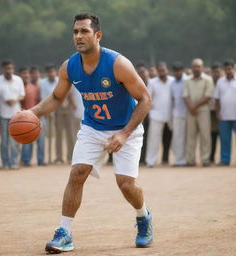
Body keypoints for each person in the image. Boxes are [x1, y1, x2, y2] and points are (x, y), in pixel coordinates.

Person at [24, 13, 153, 252]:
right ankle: (64, 232)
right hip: (93, 128)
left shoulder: (117, 64)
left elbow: (145, 99)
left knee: (125, 185)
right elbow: (55, 98)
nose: (79, 36)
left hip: (126, 129)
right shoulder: (70, 66)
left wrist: (124, 134)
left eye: (84, 31)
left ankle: (143, 217)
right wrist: (31, 113)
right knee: (77, 173)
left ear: (98, 35)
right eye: (75, 32)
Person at [0, 60, 25, 169]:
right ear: (3, 69)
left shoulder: (18, 80)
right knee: (4, 141)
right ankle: (5, 162)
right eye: (7, 68)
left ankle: (14, 162)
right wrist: (5, 100)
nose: (9, 71)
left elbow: (22, 95)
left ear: (13, 69)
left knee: (15, 140)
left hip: (15, 115)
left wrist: (15, 100)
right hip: (2, 114)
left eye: (11, 68)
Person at [183, 58, 214, 167]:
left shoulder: (208, 79)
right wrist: (191, 107)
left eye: (198, 66)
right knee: (190, 136)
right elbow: (185, 95)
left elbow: (208, 96)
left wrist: (194, 106)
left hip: (203, 111)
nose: (196, 68)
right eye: (194, 66)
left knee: (205, 136)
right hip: (190, 111)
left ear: (202, 67)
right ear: (192, 68)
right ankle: (190, 160)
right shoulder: (187, 80)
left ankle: (205, 159)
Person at [145, 62, 174, 167]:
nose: (162, 72)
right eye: (160, 70)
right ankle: (151, 161)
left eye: (164, 70)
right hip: (156, 115)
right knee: (153, 140)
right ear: (157, 71)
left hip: (171, 115)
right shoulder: (152, 82)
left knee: (171, 139)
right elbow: (148, 99)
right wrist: (149, 113)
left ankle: (171, 160)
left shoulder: (172, 81)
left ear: (167, 70)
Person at [20, 67, 45, 166]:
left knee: (41, 140)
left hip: (38, 116)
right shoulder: (19, 87)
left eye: (27, 73)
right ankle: (26, 160)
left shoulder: (35, 88)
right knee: (27, 140)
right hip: (25, 118)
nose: (25, 75)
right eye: (23, 73)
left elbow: (40, 102)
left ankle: (41, 160)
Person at [214, 59, 236, 166]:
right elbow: (217, 99)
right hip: (224, 116)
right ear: (224, 70)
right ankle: (225, 160)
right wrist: (218, 112)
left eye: (230, 69)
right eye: (226, 69)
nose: (229, 71)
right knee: (225, 139)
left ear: (234, 68)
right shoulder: (220, 81)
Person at [171, 61, 188, 166]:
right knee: (178, 138)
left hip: (188, 113)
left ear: (182, 71)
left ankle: (189, 159)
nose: (177, 73)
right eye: (175, 71)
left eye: (178, 71)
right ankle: (179, 160)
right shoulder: (172, 82)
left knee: (189, 138)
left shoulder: (188, 80)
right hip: (177, 113)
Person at [136, 63, 150, 164]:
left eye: (143, 72)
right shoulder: (132, 83)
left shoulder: (152, 84)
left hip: (150, 116)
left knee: (146, 138)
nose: (142, 74)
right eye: (140, 72)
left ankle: (144, 158)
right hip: (137, 115)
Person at [210, 62, 223, 163]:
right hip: (211, 114)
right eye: (214, 72)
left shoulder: (223, 82)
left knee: (224, 137)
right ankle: (211, 157)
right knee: (213, 136)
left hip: (225, 114)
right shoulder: (209, 82)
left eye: (218, 72)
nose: (216, 74)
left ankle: (224, 158)